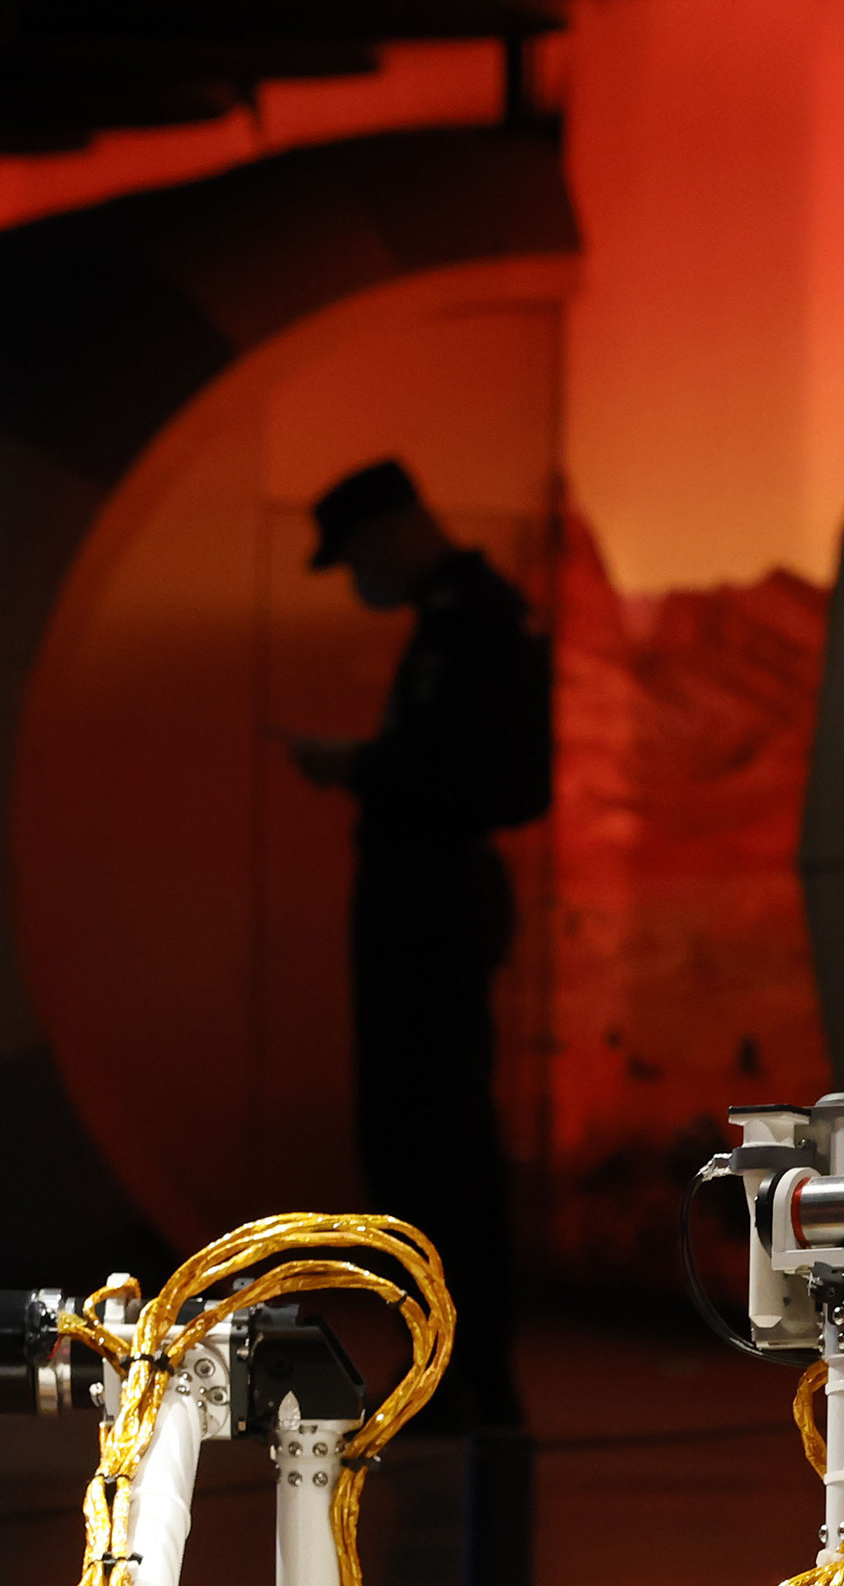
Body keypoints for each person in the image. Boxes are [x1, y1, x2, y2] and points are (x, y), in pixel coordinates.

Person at [283, 458, 550, 1428]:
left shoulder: (472, 625)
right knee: (417, 1145)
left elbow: (484, 775)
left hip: (428, 902)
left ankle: (466, 1370)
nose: (358, 577)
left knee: (433, 1144)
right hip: (424, 897)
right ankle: (452, 1363)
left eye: (357, 552)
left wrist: (363, 767)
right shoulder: (460, 621)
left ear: (393, 532)